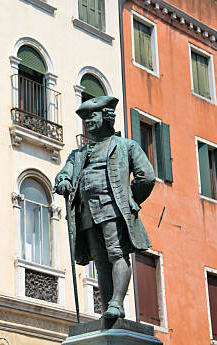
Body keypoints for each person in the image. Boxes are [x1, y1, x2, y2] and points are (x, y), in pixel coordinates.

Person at [54, 96, 155, 319]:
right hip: (87, 211)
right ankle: (108, 309)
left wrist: (129, 201)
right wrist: (63, 181)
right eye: (85, 118)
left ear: (107, 117)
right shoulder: (79, 154)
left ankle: (117, 303)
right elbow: (65, 172)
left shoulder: (126, 146)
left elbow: (146, 177)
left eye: (93, 115)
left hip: (113, 208)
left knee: (117, 254)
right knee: (100, 262)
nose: (88, 121)